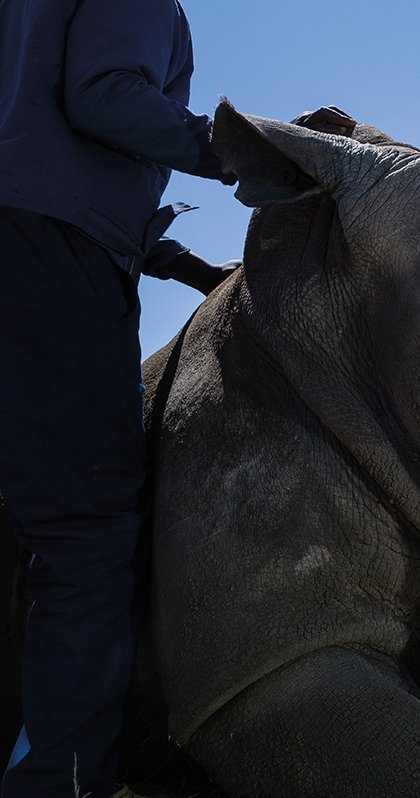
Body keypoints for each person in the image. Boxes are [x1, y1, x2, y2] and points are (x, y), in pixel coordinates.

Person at [0, 0, 238, 793]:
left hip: (33, 239)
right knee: (87, 528)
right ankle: (60, 780)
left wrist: (186, 268)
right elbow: (102, 95)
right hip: (51, 262)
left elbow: (33, 149)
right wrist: (250, 148)